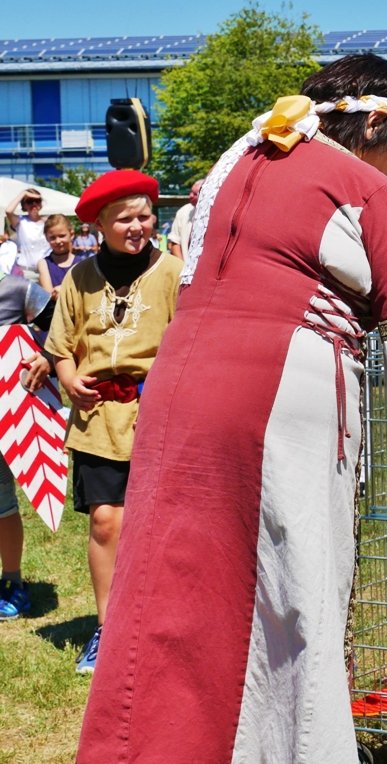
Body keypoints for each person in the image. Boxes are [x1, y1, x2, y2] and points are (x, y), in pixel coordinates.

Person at [77, 55, 387, 763]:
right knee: (292, 593)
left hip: (177, 386)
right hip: (282, 393)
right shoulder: (363, 188)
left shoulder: (228, 162)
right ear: (377, 122)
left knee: (169, 585)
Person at [42, 170, 182, 678]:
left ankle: (160, 624)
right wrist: (68, 376)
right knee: (106, 520)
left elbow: (187, 342)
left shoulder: (171, 273)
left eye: (145, 215)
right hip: (98, 416)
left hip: (158, 415)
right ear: (100, 223)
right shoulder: (79, 277)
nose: (137, 226)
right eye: (125, 218)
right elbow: (59, 345)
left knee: (161, 528)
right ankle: (109, 628)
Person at [0, 259, 56, 622]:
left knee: (1, 500)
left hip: (8, 413)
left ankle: (12, 581)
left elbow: (61, 327)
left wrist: (47, 357)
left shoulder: (17, 289)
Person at [4, 188, 50, 279]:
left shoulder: (48, 222)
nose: (34, 204)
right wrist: (23, 193)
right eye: (29, 201)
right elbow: (8, 211)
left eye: (37, 201)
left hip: (47, 270)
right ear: (24, 205)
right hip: (27, 272)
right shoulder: (20, 221)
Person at [35, 214, 85, 299]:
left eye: (62, 236)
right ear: (47, 238)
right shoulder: (44, 264)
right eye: (52, 238)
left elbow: (85, 291)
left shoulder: (82, 264)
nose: (58, 241)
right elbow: (49, 294)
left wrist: (63, 289)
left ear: (71, 234)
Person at [167, 179, 203, 261]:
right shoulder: (183, 211)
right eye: (191, 192)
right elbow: (175, 242)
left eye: (195, 194)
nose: (190, 195)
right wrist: (183, 268)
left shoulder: (217, 212)